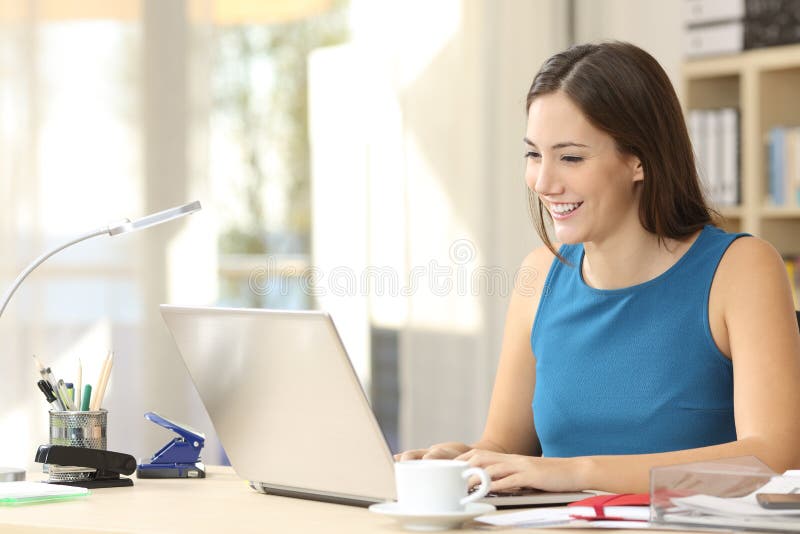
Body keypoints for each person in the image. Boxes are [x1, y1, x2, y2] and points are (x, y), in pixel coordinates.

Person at [396, 41, 800, 494]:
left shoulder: (741, 269)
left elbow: (773, 456)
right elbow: (506, 446)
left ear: (638, 160)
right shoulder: (539, 274)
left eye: (570, 157)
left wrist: (576, 471)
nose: (544, 182)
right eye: (534, 154)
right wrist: (465, 460)